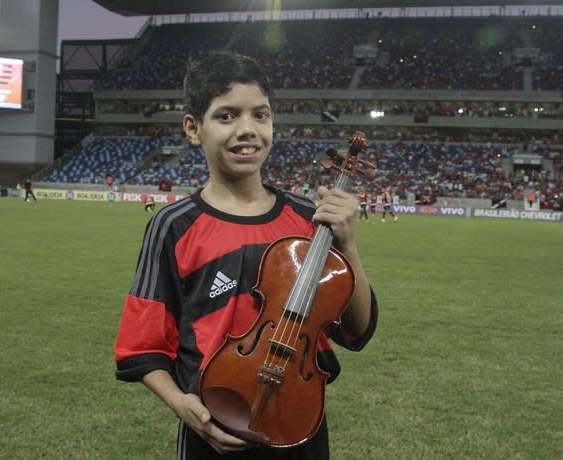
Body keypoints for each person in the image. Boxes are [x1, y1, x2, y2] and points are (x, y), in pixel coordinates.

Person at [113, 53, 378, 460]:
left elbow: (356, 331)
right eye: (226, 116)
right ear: (192, 128)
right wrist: (183, 407)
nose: (247, 130)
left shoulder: (309, 218)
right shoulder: (173, 226)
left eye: (260, 115)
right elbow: (141, 347)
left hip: (299, 420)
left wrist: (348, 246)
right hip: (210, 427)